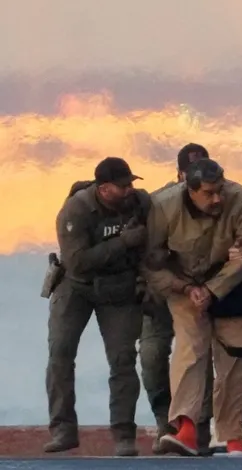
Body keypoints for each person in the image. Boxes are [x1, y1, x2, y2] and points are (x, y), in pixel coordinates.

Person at [140, 157, 242, 457]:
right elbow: (149, 262)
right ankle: (185, 428)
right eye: (209, 193)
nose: (217, 198)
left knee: (234, 359)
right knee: (189, 350)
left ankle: (233, 439)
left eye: (220, 190)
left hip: (231, 284)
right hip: (183, 286)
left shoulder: (238, 197)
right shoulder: (163, 206)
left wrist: (214, 289)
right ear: (190, 189)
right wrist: (186, 288)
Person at [45, 157, 152, 456]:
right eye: (122, 185)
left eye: (131, 183)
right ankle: (63, 429)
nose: (129, 189)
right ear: (104, 189)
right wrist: (123, 243)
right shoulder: (76, 210)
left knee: (123, 359)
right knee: (60, 353)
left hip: (119, 287)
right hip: (76, 286)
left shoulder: (140, 203)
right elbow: (77, 262)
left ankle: (124, 435)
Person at [141, 143, 215, 454]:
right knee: (152, 355)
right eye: (189, 172)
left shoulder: (218, 201)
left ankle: (198, 427)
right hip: (161, 292)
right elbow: (145, 254)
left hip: (198, 291)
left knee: (198, 357)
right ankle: (165, 422)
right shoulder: (159, 203)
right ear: (179, 173)